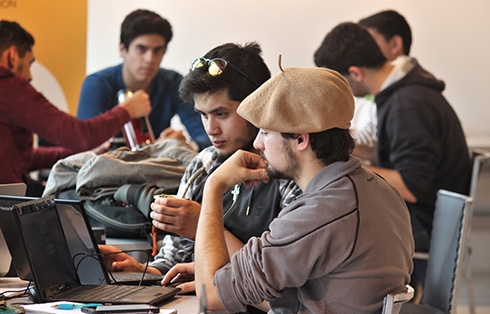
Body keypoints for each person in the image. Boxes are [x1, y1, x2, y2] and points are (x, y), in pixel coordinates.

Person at [161, 65, 414, 314]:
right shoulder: (377, 190)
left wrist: (214, 185)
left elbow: (209, 296)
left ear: (301, 139)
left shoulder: (321, 213)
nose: (258, 144)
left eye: (266, 132)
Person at [100, 42, 301, 289]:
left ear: (257, 104)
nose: (211, 129)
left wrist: (200, 225)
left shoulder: (288, 172)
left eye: (222, 114)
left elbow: (276, 276)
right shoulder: (204, 164)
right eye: (203, 115)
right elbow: (174, 260)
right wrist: (142, 271)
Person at [313, 22, 471, 253]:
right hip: (427, 215)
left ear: (355, 73)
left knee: (334, 231)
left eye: (339, 82)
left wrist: (344, 166)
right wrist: (340, 148)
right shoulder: (402, 92)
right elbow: (390, 154)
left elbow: (410, 187)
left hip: (428, 224)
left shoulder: (407, 106)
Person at [0, 20, 151, 196]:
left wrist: (79, 152)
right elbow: (81, 135)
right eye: (29, 63)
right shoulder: (9, 86)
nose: (29, 76)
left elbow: (21, 158)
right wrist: (127, 110)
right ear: (13, 55)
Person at [76, 9, 210, 150]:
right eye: (141, 49)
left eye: (157, 50)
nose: (150, 59)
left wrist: (184, 146)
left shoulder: (173, 82)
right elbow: (85, 148)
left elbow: (207, 135)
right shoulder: (96, 85)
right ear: (122, 49)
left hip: (158, 169)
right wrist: (154, 150)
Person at [344, 10, 413, 165]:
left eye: (369, 44)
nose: (360, 51)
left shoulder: (407, 102)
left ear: (395, 45)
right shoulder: (367, 93)